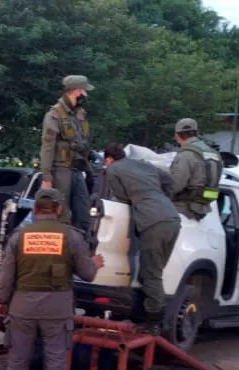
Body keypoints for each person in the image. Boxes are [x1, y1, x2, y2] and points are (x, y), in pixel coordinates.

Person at [0, 189, 104, 370]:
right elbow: (87, 274)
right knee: (55, 358)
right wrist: (94, 263)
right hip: (58, 309)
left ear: (34, 210)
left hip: (22, 307)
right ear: (59, 209)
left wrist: (1, 301)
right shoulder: (72, 236)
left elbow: (5, 276)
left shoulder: (19, 236)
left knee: (18, 357)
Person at [101, 143, 181, 331]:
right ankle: (149, 316)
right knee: (155, 271)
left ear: (108, 159)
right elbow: (170, 182)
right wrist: (160, 198)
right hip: (171, 217)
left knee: (150, 274)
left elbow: (121, 199)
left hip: (152, 221)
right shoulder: (143, 164)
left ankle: (154, 322)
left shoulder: (113, 169)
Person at [39, 75, 94, 235]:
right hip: (61, 170)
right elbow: (47, 147)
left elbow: (82, 143)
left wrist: (89, 169)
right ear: (76, 91)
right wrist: (47, 177)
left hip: (77, 169)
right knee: (62, 214)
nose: (85, 95)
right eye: (84, 91)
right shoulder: (54, 115)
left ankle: (81, 247)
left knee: (83, 214)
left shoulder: (79, 114)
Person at [168, 118, 224, 220]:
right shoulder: (214, 154)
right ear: (197, 133)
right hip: (204, 210)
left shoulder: (185, 155)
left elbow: (174, 186)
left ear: (177, 135)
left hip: (183, 211)